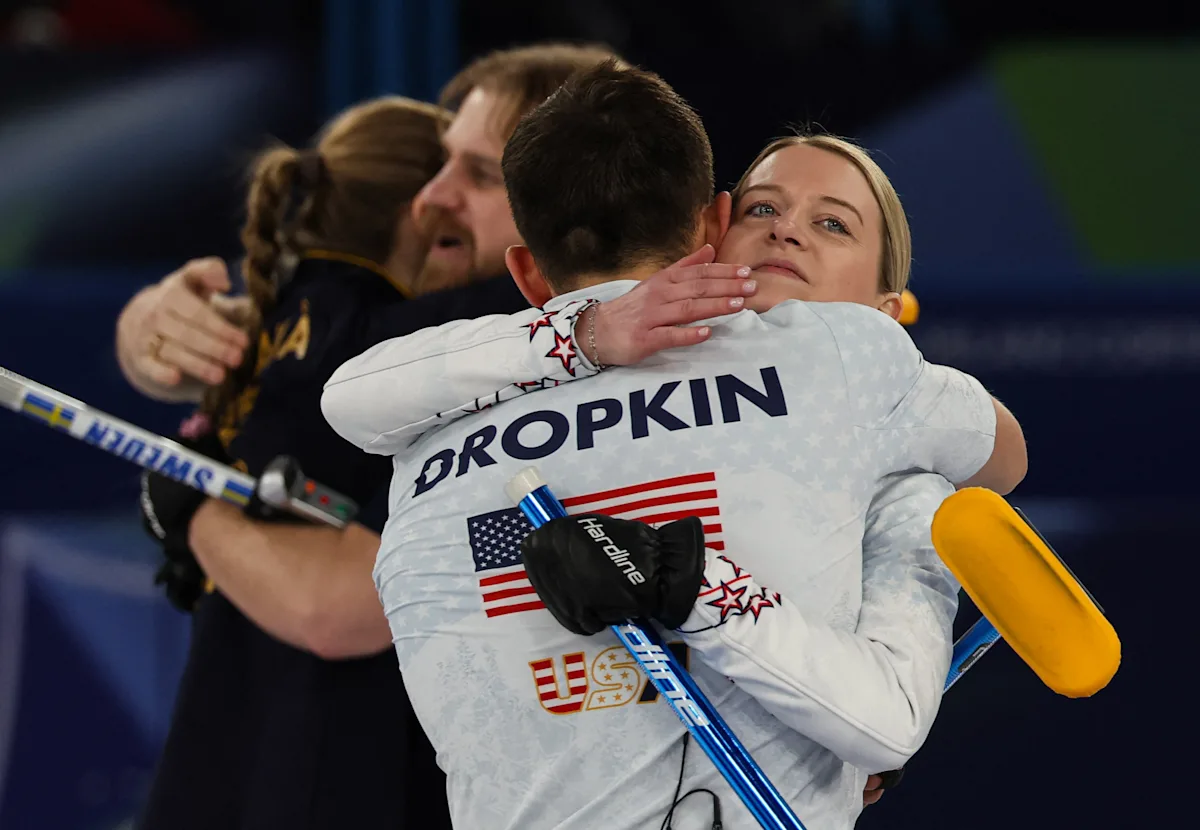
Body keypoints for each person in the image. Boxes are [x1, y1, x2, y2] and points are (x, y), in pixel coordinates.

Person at [321, 61, 1024, 829]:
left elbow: (350, 401)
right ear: (714, 231)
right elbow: (882, 717)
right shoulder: (844, 367)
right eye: (764, 209)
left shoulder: (426, 441)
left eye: (833, 223)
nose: (787, 230)